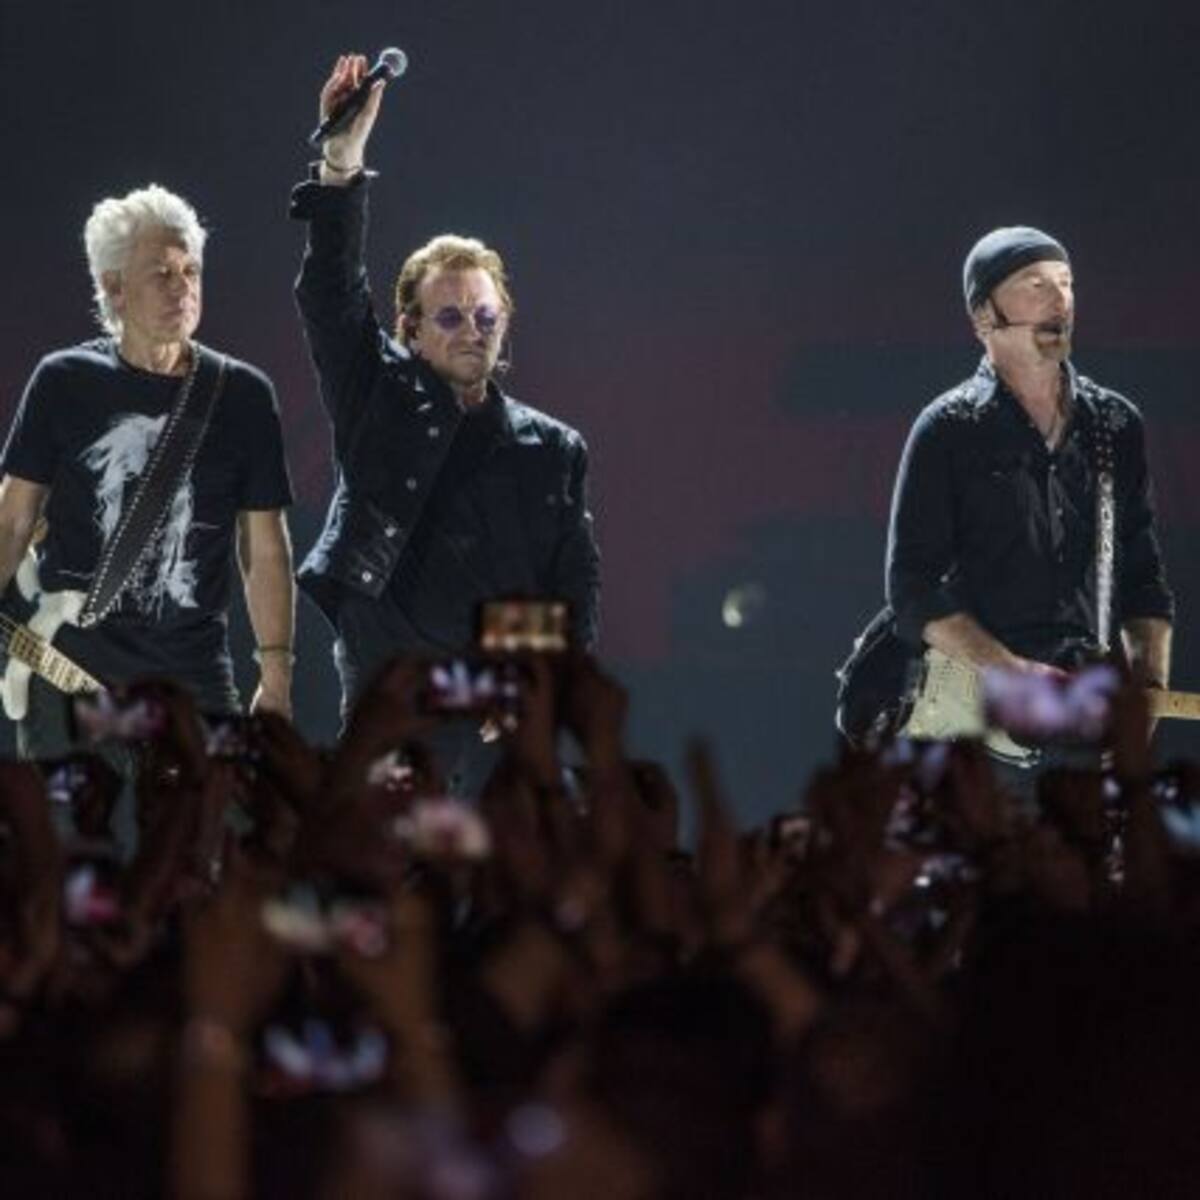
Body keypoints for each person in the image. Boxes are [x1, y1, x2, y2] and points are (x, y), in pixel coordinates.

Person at [290, 53, 601, 790]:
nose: (473, 330)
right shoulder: (377, 398)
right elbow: (333, 297)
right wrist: (342, 167)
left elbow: (573, 588)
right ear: (410, 328)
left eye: (486, 316)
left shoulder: (552, 448)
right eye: (452, 316)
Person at [0, 184, 295, 770]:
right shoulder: (62, 380)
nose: (182, 287)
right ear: (113, 286)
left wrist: (277, 674)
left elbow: (264, 550)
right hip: (69, 676)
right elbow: (12, 521)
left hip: (195, 684)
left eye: (191, 270)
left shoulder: (243, 395)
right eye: (161, 273)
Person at [885, 226, 1174, 792]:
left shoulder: (1115, 424)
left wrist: (1149, 691)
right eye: (1035, 284)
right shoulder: (947, 429)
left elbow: (1143, 577)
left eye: (1067, 283)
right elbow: (912, 587)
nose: (1060, 298)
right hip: (976, 730)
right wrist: (1013, 673)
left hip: (1084, 732)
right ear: (983, 315)